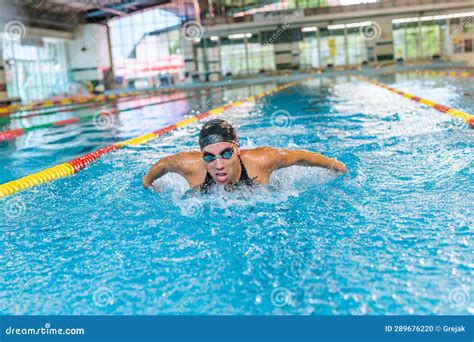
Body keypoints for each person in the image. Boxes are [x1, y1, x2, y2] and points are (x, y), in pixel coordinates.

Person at [142, 119, 347, 192]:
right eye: (209, 157)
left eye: (226, 153)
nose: (219, 164)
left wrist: (335, 165)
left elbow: (301, 157)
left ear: (237, 149)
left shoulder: (262, 160)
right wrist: (148, 183)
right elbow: (164, 164)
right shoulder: (191, 166)